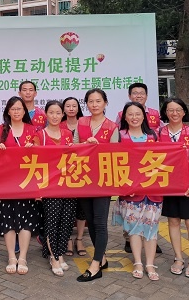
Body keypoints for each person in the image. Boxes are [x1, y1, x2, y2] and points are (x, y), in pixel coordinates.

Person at [159, 98, 189, 279]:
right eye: (170, 110)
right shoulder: (159, 133)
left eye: (178, 110)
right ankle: (178, 258)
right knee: (173, 222)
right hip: (169, 186)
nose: (174, 113)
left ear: (184, 112)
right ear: (165, 113)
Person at [112, 102, 161, 281]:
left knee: (151, 228)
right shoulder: (120, 135)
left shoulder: (153, 135)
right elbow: (113, 162)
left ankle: (150, 264)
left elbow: (162, 161)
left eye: (138, 114)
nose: (134, 117)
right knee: (134, 229)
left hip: (152, 191)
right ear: (124, 117)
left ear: (144, 116)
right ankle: (138, 263)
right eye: (130, 114)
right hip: (130, 191)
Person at [0, 96, 40, 275]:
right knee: (8, 220)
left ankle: (23, 257)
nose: (16, 112)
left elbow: (42, 155)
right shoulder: (0, 130)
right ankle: (12, 256)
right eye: (12, 109)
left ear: (24, 111)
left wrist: (33, 147)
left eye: (19, 108)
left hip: (27, 181)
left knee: (25, 220)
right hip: (6, 182)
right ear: (7, 111)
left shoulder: (33, 130)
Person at [76, 88, 118, 282]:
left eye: (98, 101)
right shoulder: (81, 122)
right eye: (91, 101)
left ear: (105, 103)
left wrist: (98, 147)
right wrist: (85, 145)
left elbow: (116, 154)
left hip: (102, 180)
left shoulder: (112, 126)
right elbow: (73, 148)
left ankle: (95, 265)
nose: (94, 105)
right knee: (91, 220)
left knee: (100, 222)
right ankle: (103, 258)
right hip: (84, 179)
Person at [36, 100, 75, 277]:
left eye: (58, 113)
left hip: (68, 185)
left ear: (63, 115)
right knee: (51, 222)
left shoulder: (68, 134)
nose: (54, 116)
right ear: (46, 114)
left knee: (66, 222)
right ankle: (54, 257)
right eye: (51, 112)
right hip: (49, 186)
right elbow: (36, 162)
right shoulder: (40, 135)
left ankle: (59, 252)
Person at [60, 97, 88, 257]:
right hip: (63, 171)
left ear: (78, 108)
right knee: (68, 207)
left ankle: (79, 238)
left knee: (82, 206)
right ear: (63, 109)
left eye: (74, 106)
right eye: (68, 106)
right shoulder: (59, 125)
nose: (71, 108)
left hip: (82, 169)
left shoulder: (85, 124)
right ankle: (68, 239)